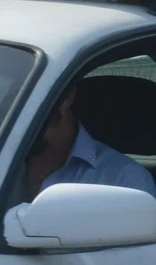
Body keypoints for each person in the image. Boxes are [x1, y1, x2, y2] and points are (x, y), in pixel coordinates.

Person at [21, 83, 156, 201]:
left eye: (29, 97)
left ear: (66, 97)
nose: (18, 112)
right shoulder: (1, 151)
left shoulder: (124, 180)